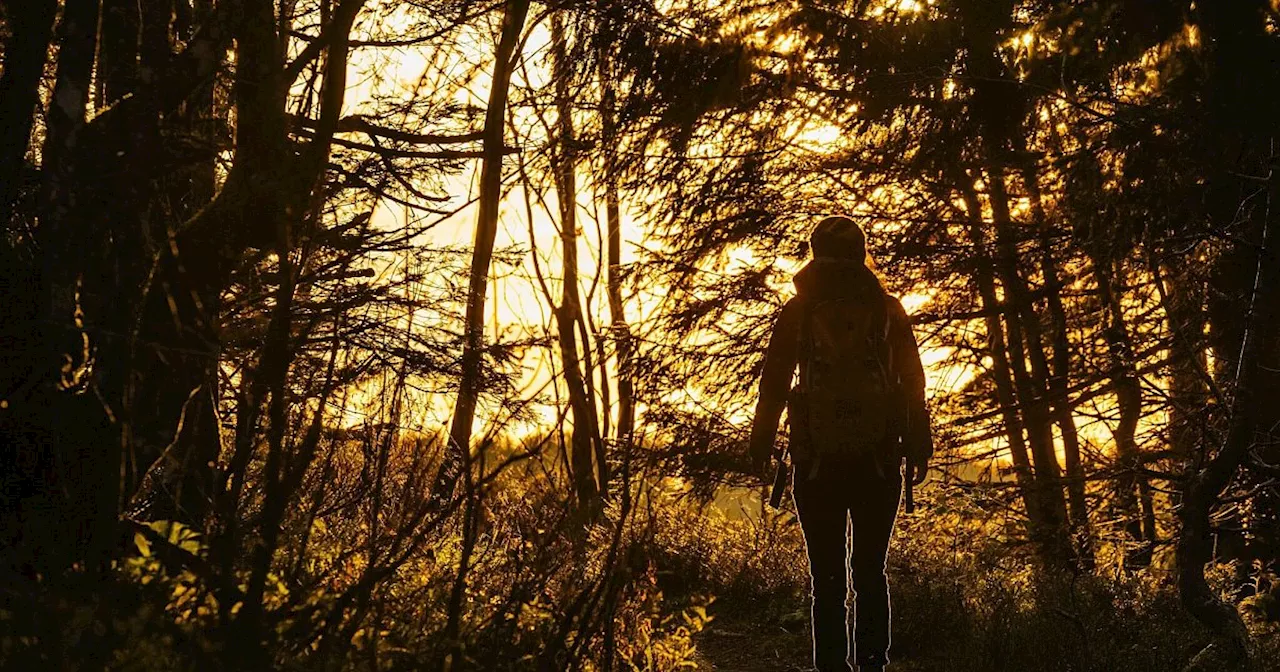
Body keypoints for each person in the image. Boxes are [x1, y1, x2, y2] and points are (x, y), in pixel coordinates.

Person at [748, 216, 934, 672]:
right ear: (860, 251)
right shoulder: (889, 309)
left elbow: (773, 384)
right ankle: (874, 664)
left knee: (825, 580)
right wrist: (918, 444)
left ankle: (830, 667)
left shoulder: (798, 311)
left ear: (814, 253)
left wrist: (761, 443)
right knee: (871, 572)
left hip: (816, 462)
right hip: (878, 460)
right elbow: (913, 382)